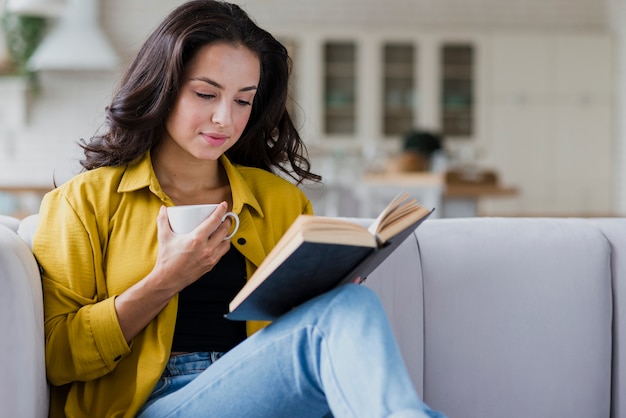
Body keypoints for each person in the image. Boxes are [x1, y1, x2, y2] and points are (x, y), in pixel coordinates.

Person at [32, 1, 446, 417]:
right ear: (163, 87)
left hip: (265, 385)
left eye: (243, 101)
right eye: (206, 94)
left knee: (349, 307)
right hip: (151, 404)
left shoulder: (281, 202)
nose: (224, 119)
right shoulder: (83, 202)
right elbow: (58, 358)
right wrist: (164, 281)